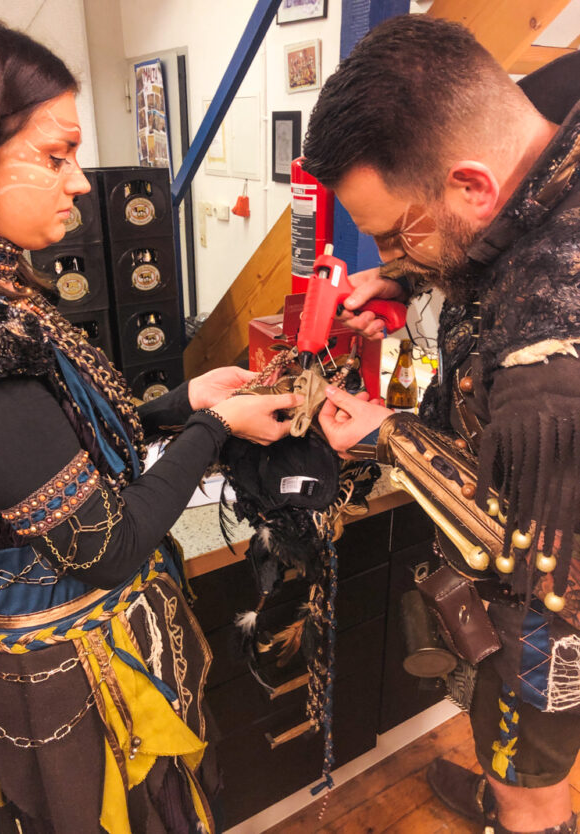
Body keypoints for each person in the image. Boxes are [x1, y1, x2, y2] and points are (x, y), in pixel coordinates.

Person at [0, 13, 301, 834]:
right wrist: (214, 427)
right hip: (74, 677)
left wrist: (184, 401)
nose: (81, 181)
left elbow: (59, 444)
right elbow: (105, 548)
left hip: (98, 648)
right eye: (55, 155)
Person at [303, 14, 580, 834]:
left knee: (529, 773)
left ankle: (520, 814)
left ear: (469, 188)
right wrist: (406, 274)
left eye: (395, 233)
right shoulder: (545, 126)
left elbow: (520, 535)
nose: (393, 252)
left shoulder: (547, 359)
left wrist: (387, 435)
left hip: (550, 597)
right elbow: (501, 234)